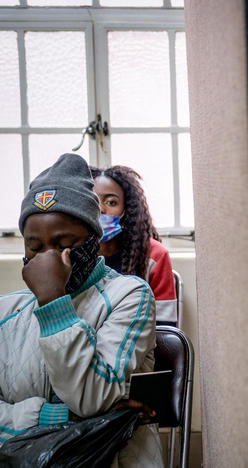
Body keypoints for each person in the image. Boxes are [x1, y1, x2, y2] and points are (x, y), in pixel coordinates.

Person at [0, 154, 163, 467]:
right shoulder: (7, 312)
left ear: (93, 241)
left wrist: (53, 303)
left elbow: (91, 397)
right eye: (34, 246)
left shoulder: (129, 296)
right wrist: (59, 416)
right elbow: (89, 412)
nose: (47, 258)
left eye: (63, 242)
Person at [90, 165, 177, 326]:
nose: (101, 209)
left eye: (111, 202)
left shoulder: (154, 255)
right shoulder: (69, 251)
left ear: (126, 210)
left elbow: (165, 327)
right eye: (93, 201)